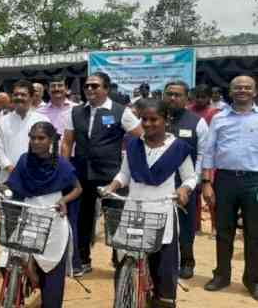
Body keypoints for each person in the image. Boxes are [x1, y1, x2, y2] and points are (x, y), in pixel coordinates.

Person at [105, 98, 197, 307]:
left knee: (162, 265)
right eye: (144, 119)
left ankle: (162, 300)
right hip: (134, 207)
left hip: (161, 209)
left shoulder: (179, 147)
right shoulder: (133, 144)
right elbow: (124, 174)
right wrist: (113, 185)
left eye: (154, 119)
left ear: (166, 120)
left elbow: (190, 177)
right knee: (124, 258)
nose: (147, 124)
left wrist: (184, 188)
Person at [61, 71, 142, 276]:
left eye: (95, 86)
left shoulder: (120, 111)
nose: (89, 89)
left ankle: (120, 259)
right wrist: (65, 169)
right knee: (83, 219)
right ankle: (83, 260)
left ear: (106, 89)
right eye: (87, 86)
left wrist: (131, 166)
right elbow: (68, 142)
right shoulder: (76, 112)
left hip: (110, 176)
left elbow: (141, 137)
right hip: (81, 174)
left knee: (115, 218)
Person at [0, 121, 81, 308]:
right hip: (27, 216)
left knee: (52, 275)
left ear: (50, 140)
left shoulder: (62, 164)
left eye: (41, 138)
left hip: (53, 218)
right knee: (8, 261)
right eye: (32, 138)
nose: (35, 141)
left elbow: (77, 189)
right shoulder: (24, 160)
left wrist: (64, 200)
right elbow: (11, 184)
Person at [202, 75, 258, 301]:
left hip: (254, 181)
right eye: (238, 87)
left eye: (247, 87)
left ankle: (253, 280)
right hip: (224, 180)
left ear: (254, 92)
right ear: (231, 91)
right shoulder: (219, 118)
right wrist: (207, 183)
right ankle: (222, 275)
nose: (242, 90)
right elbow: (208, 151)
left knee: (255, 233)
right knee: (223, 231)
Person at [163, 81, 209, 279]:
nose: (172, 98)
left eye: (177, 95)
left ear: (186, 98)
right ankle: (162, 261)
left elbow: (202, 155)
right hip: (158, 183)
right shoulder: (156, 118)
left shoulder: (197, 122)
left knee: (185, 225)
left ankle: (187, 262)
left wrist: (192, 184)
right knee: (160, 224)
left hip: (185, 185)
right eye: (169, 94)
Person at [0, 80, 50, 184]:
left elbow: (49, 148)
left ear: (32, 97)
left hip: (36, 175)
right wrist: (10, 168)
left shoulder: (42, 120)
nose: (19, 97)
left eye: (23, 94)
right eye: (16, 94)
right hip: (8, 177)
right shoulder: (2, 121)